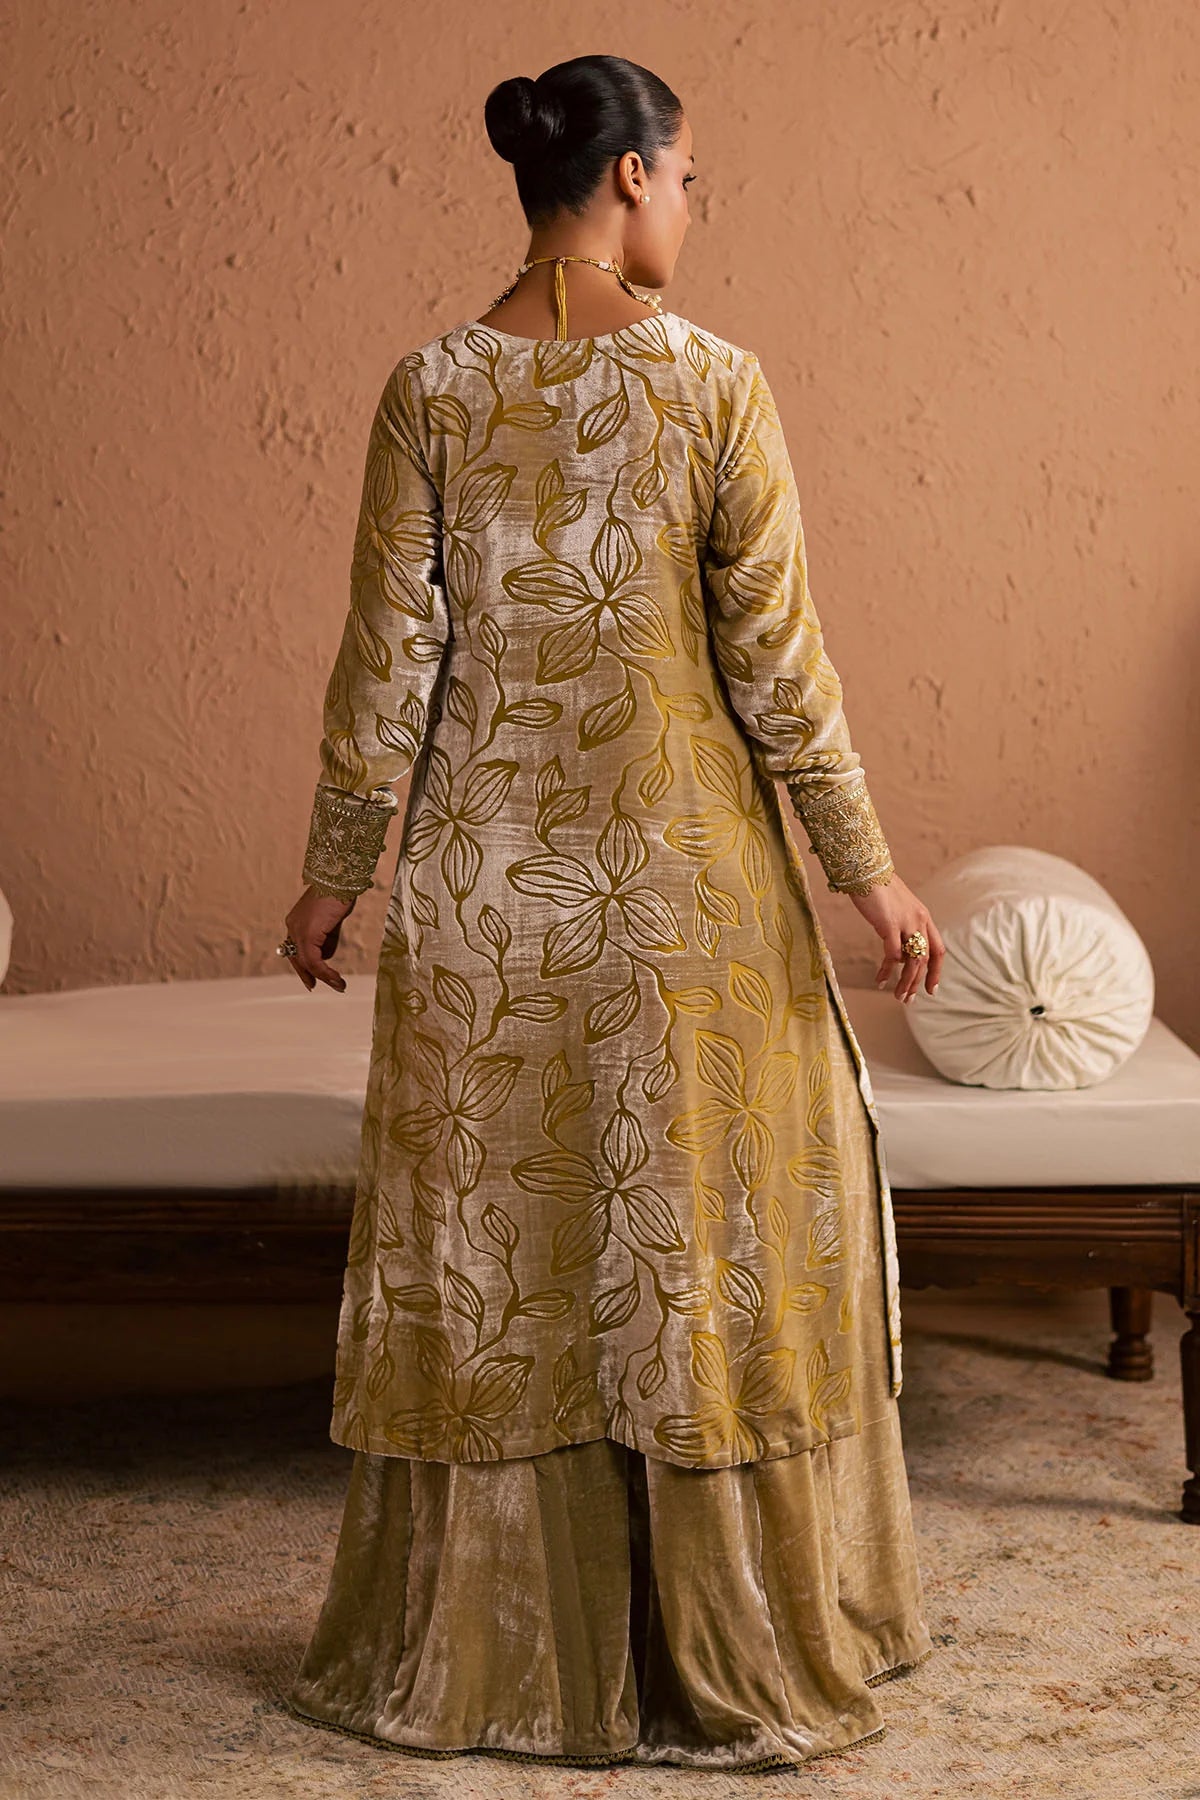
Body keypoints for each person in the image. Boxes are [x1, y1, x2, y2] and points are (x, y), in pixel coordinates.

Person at [278, 53, 944, 1774]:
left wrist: (339, 870)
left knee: (506, 1259)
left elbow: (387, 662)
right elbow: (779, 668)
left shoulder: (430, 388)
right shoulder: (715, 384)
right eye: (691, 177)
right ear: (634, 175)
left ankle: (497, 1658)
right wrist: (865, 868)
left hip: (485, 906)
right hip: (680, 899)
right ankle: (731, 1642)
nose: (693, 208)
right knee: (692, 1252)